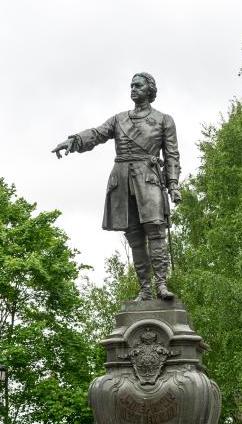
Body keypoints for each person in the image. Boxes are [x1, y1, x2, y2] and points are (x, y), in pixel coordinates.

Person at [52, 72, 181, 301]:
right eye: (131, 85)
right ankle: (145, 289)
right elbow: (97, 133)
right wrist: (73, 141)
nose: (133, 88)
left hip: (148, 178)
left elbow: (172, 155)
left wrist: (173, 184)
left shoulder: (163, 120)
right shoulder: (119, 119)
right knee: (133, 235)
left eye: (138, 85)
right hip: (121, 182)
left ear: (149, 90)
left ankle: (161, 284)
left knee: (155, 230)